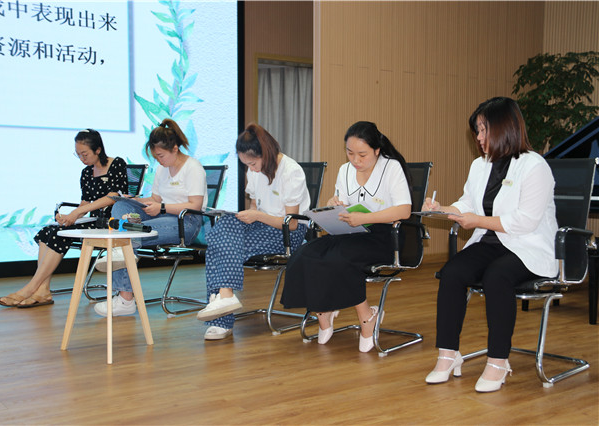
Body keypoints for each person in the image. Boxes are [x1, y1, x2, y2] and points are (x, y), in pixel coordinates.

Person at [423, 97, 557, 393]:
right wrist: (442, 209)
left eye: (484, 130)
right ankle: (448, 354)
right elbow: (467, 203)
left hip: (527, 246)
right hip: (491, 242)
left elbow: (525, 221)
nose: (479, 137)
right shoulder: (480, 165)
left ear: (504, 127)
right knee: (452, 272)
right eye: (478, 131)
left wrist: (477, 220)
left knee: (497, 276)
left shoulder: (534, 166)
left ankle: (498, 361)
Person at [281, 121, 413, 353]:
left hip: (384, 237)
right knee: (306, 253)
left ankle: (367, 316)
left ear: (377, 150)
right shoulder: (345, 170)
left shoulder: (391, 168)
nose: (355, 160)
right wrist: (334, 203)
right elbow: (341, 203)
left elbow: (404, 210)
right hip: (351, 232)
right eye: (350, 153)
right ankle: (324, 309)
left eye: (362, 155)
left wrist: (365, 218)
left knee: (341, 258)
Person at [196, 123, 311, 340]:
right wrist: (249, 216)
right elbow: (254, 206)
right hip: (262, 226)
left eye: (253, 163)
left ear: (266, 153)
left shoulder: (291, 171)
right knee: (224, 227)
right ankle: (225, 296)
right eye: (246, 165)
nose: (252, 168)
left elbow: (292, 223)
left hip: (287, 234)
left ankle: (221, 315)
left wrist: (256, 216)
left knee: (218, 245)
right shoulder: (254, 170)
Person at [0, 129, 128, 308]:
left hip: (111, 222)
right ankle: (43, 290)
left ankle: (31, 288)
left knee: (59, 235)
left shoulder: (117, 163)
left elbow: (114, 196)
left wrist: (78, 213)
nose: (81, 158)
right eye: (78, 154)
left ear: (98, 150)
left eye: (85, 154)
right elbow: (85, 203)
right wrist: (70, 217)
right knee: (48, 231)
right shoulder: (86, 172)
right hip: (92, 222)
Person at [93, 118, 208, 317]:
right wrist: (134, 200)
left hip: (185, 222)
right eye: (156, 156)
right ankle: (124, 254)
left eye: (161, 156)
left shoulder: (193, 167)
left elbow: (195, 206)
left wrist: (162, 207)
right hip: (160, 216)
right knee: (120, 206)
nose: (159, 161)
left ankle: (125, 298)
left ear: (175, 148)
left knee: (125, 235)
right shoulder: (162, 168)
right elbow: (154, 199)